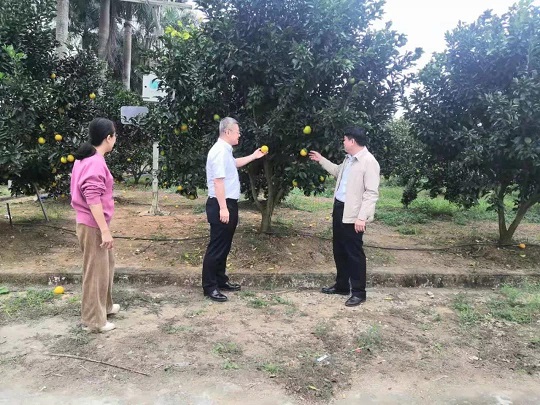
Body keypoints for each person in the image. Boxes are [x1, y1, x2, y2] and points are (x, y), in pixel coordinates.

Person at [309, 127, 380, 307]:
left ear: (352, 141)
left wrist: (362, 217)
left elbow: (371, 193)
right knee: (339, 249)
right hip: (340, 208)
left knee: (354, 253)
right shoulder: (349, 159)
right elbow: (336, 171)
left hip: (354, 214)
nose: (343, 142)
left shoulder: (369, 162)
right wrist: (321, 160)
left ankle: (358, 292)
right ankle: (341, 286)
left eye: (345, 139)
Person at [202, 117, 266, 302]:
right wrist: (223, 208)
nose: (239, 135)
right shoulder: (219, 152)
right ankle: (210, 287)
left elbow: (234, 163)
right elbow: (218, 182)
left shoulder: (225, 151)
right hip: (221, 204)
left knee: (224, 245)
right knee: (217, 246)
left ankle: (221, 280)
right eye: (237, 132)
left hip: (227, 203)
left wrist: (253, 156)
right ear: (227, 132)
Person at [70, 118, 119, 332]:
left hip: (92, 223)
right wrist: (104, 231)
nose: (115, 139)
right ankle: (93, 321)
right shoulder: (95, 162)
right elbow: (92, 199)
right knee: (95, 271)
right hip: (92, 225)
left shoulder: (87, 157)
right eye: (114, 135)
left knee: (106, 265)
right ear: (108, 138)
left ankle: (104, 307)